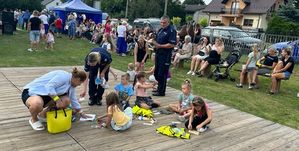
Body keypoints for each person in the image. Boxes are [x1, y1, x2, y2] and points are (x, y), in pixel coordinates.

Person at [21, 68, 87, 131]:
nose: (79, 85)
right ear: (77, 79)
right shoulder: (63, 76)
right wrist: (57, 100)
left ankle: (42, 116)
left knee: (66, 100)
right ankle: (34, 120)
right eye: (80, 83)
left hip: (46, 96)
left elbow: (73, 99)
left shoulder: (71, 85)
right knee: (37, 103)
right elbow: (49, 86)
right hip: (32, 92)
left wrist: (81, 112)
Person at [151, 15, 177, 96]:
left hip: (165, 55)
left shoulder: (171, 31)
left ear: (168, 22)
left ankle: (161, 91)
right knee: (156, 73)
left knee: (162, 73)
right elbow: (157, 40)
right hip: (158, 54)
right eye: (161, 22)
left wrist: (159, 46)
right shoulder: (160, 30)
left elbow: (172, 44)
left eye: (164, 22)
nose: (162, 24)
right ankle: (159, 88)